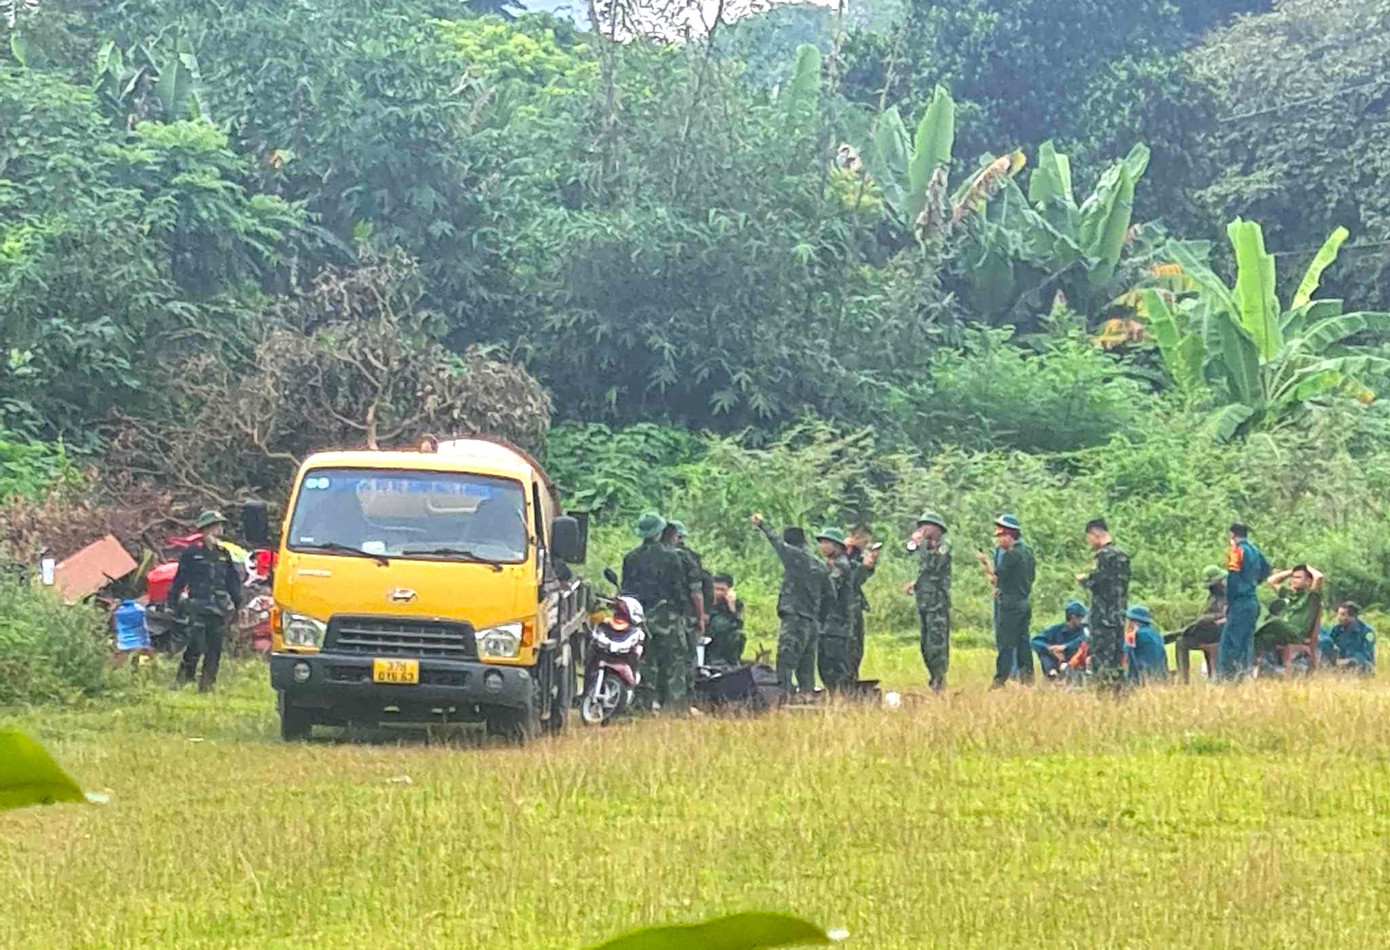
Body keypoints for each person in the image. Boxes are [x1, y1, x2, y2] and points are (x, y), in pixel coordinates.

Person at [621, 511, 698, 713]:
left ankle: (641, 705)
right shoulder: (672, 557)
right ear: (660, 532)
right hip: (667, 616)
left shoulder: (630, 558)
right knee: (674, 661)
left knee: (643, 660)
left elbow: (626, 590)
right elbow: (679, 589)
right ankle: (674, 707)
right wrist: (683, 612)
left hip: (640, 617)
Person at [752, 514, 829, 695]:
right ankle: (807, 699)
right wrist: (820, 618)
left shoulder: (795, 557)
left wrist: (762, 524)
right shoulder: (820, 566)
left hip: (794, 619)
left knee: (785, 663)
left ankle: (783, 698)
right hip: (812, 622)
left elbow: (776, 542)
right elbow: (830, 597)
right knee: (806, 667)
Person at [167, 510, 242, 692]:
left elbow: (233, 582)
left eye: (220, 526)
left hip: (218, 608)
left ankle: (208, 684)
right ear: (206, 529)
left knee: (214, 648)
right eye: (216, 526)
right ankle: (184, 678)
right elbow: (180, 579)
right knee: (196, 643)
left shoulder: (223, 554)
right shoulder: (192, 553)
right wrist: (173, 602)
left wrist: (236, 605)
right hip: (197, 606)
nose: (220, 530)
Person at [979, 514, 1036, 688]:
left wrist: (985, 563)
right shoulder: (1027, 552)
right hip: (1024, 602)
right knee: (1023, 643)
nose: (997, 540)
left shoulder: (1010, 555)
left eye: (999, 535)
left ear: (1009, 535)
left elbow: (995, 578)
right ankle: (1028, 678)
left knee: (1006, 644)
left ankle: (1000, 680)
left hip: (1010, 605)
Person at [1076, 518, 1130, 689]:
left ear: (1095, 534)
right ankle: (1119, 692)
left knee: (1101, 659)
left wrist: (1083, 580)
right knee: (1116, 659)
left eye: (1089, 538)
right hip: (1119, 616)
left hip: (1103, 617)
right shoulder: (1123, 556)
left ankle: (1103, 693)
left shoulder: (1102, 556)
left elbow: (1097, 583)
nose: (1089, 542)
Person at [905, 510, 951, 692]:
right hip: (924, 601)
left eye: (926, 526)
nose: (923, 529)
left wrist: (921, 546)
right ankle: (933, 679)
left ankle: (939, 681)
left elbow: (936, 566)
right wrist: (916, 584)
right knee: (925, 644)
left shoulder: (943, 546)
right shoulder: (925, 547)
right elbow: (912, 555)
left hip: (937, 604)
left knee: (936, 643)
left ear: (936, 528)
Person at [1217, 522, 1270, 680]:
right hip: (1252, 601)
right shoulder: (1255, 551)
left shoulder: (1236, 551)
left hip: (1239, 603)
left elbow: (1233, 579)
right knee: (1247, 641)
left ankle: (1228, 677)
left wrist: (1229, 602)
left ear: (1232, 535)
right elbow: (1267, 568)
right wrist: (1253, 583)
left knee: (1230, 642)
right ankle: (1244, 673)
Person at [665, 521, 709, 693]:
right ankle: (685, 696)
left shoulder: (649, 555)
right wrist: (701, 616)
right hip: (685, 615)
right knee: (687, 657)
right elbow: (697, 592)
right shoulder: (690, 558)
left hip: (657, 615)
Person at [1254, 564, 1324, 666]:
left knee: (1274, 621)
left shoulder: (1312, 597)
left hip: (1297, 633)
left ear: (1308, 581)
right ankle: (1257, 666)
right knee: (1259, 637)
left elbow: (1319, 577)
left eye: (1298, 578)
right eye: (1293, 577)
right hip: (1284, 632)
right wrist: (1291, 571)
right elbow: (1271, 581)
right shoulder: (1289, 594)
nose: (1294, 580)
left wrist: (1306, 567)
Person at [1168, 565, 1227, 683]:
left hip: (1220, 632)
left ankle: (1214, 676)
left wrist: (1208, 619)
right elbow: (1207, 612)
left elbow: (1226, 615)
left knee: (1196, 627)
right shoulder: (1212, 595)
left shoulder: (1228, 594)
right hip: (1206, 630)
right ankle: (1183, 679)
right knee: (1181, 641)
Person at [844, 529, 878, 682]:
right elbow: (850, 580)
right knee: (849, 646)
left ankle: (852, 678)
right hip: (845, 608)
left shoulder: (856, 555)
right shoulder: (843, 555)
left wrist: (868, 567)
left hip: (854, 605)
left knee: (857, 646)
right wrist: (863, 567)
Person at [1030, 601, 1089, 680]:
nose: (1083, 620)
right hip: (1057, 661)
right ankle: (1052, 673)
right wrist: (1050, 649)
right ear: (1073, 617)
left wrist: (1065, 647)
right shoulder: (1056, 629)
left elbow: (1084, 639)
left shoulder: (1084, 630)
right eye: (1081, 617)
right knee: (1043, 652)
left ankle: (1069, 673)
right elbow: (1035, 641)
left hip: (1074, 661)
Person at [1320, 601, 1376, 674]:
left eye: (1343, 615)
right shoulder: (1337, 630)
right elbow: (1329, 642)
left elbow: (1366, 654)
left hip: (1360, 664)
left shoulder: (1366, 632)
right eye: (1338, 614)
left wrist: (1350, 661)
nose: (1339, 617)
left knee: (1365, 666)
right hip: (1342, 663)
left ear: (1352, 616)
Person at [705, 573, 745, 666]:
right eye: (715, 589)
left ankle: (730, 664)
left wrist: (732, 607)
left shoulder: (736, 604)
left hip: (723, 641)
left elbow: (738, 625)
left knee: (738, 635)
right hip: (706, 638)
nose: (717, 593)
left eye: (722, 590)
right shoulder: (705, 601)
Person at [1123, 605, 1168, 683]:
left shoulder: (1134, 635)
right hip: (1161, 678)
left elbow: (1125, 653)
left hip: (1142, 679)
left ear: (1133, 621)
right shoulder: (1156, 634)